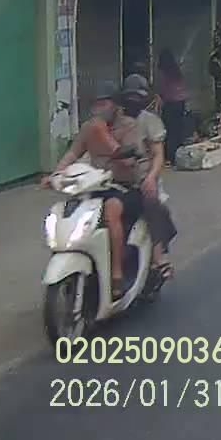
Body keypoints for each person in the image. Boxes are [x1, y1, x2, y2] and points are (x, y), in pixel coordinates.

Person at [44, 81, 146, 300]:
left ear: (116, 105)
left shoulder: (130, 126)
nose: (99, 108)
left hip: (125, 188)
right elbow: (72, 154)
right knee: (67, 211)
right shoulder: (89, 128)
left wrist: (103, 135)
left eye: (104, 103)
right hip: (95, 187)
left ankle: (116, 275)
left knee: (111, 209)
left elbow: (129, 162)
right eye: (96, 104)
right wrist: (55, 175)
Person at [116, 75, 173, 280]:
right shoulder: (114, 121)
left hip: (142, 179)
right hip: (114, 180)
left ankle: (158, 254)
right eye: (129, 97)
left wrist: (150, 177)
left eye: (137, 97)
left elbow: (158, 155)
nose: (133, 101)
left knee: (151, 203)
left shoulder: (150, 121)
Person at [156, 49, 189, 164]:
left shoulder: (164, 73)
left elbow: (162, 90)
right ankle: (178, 155)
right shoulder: (177, 71)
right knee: (178, 129)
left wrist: (159, 101)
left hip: (170, 103)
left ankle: (170, 156)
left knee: (169, 130)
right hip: (180, 103)